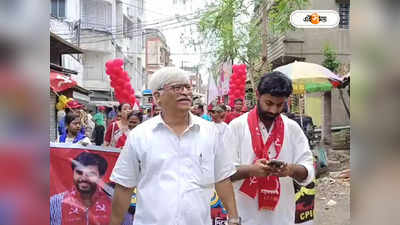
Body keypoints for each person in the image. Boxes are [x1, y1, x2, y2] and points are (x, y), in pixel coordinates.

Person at [109, 67, 241, 225]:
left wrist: (233, 218)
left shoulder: (210, 132)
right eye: (177, 88)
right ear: (158, 97)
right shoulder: (139, 136)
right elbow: (124, 186)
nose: (185, 92)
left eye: (187, 87)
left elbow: (222, 179)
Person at [225, 71, 314, 225]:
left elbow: (308, 168)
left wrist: (290, 170)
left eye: (279, 105)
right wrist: (251, 170)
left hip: (282, 215)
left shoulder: (292, 128)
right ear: (258, 95)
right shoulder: (237, 126)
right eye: (269, 103)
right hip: (244, 215)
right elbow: (223, 172)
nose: (273, 110)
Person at [50, 152, 110, 225]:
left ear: (101, 176)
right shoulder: (55, 203)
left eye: (90, 174)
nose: (83, 178)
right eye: (79, 173)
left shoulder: (113, 205)